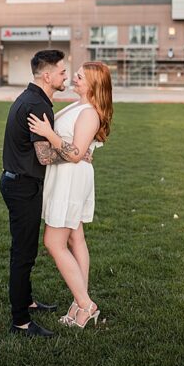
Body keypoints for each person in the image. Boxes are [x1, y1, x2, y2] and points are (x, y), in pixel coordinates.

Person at [27, 61, 114, 329]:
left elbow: (76, 154)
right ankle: (79, 304)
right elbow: (78, 150)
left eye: (80, 77)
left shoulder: (89, 113)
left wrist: (48, 134)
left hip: (71, 179)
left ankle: (86, 304)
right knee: (76, 238)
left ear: (93, 85)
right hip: (66, 175)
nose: (74, 78)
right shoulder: (78, 106)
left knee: (54, 242)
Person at [0, 49, 68, 338]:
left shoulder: (31, 98)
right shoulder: (37, 105)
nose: (66, 76)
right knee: (23, 253)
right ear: (47, 76)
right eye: (62, 72)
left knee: (25, 249)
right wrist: (74, 153)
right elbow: (45, 156)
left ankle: (26, 301)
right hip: (22, 187)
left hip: (19, 183)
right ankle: (21, 322)